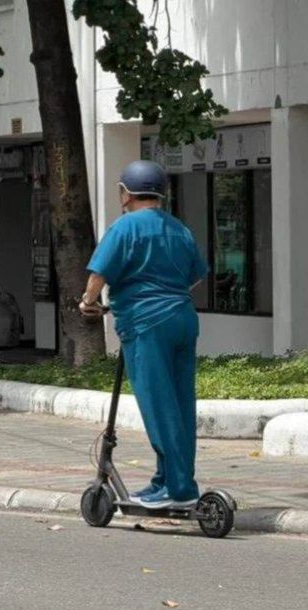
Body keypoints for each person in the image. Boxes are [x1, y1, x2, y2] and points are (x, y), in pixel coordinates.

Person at [80, 160, 209, 510]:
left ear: (126, 193)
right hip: (183, 319)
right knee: (181, 404)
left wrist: (88, 303)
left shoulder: (125, 228)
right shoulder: (179, 228)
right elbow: (197, 275)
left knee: (158, 405)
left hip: (146, 324)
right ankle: (167, 480)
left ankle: (179, 490)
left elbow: (97, 276)